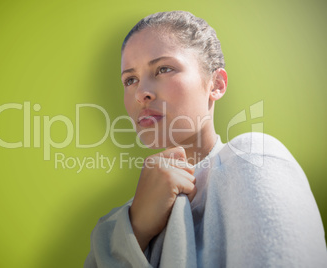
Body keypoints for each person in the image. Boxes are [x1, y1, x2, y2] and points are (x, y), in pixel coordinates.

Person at [84, 11, 327, 267]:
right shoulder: (113, 230)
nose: (140, 93)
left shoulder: (253, 160)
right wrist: (137, 228)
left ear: (216, 84)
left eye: (163, 69)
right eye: (130, 79)